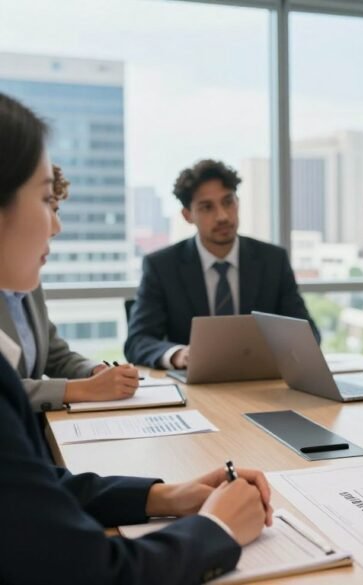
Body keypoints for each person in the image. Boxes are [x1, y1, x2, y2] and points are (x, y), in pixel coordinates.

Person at [0, 92, 272, 583]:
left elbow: (29, 488)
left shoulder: (269, 258)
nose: (57, 224)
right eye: (45, 200)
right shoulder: (163, 264)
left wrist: (164, 495)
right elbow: (97, 573)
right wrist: (217, 529)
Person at [124, 159, 320, 369]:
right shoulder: (162, 266)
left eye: (228, 202)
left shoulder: (272, 260)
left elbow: (308, 335)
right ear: (188, 215)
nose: (222, 216)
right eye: (207, 207)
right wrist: (178, 355)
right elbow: (138, 341)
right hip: (194, 387)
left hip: (260, 383)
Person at [1, 164, 139, 412]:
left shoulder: (27, 276)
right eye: (45, 208)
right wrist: (83, 389)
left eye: (56, 210)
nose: (56, 227)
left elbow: (54, 354)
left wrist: (93, 371)